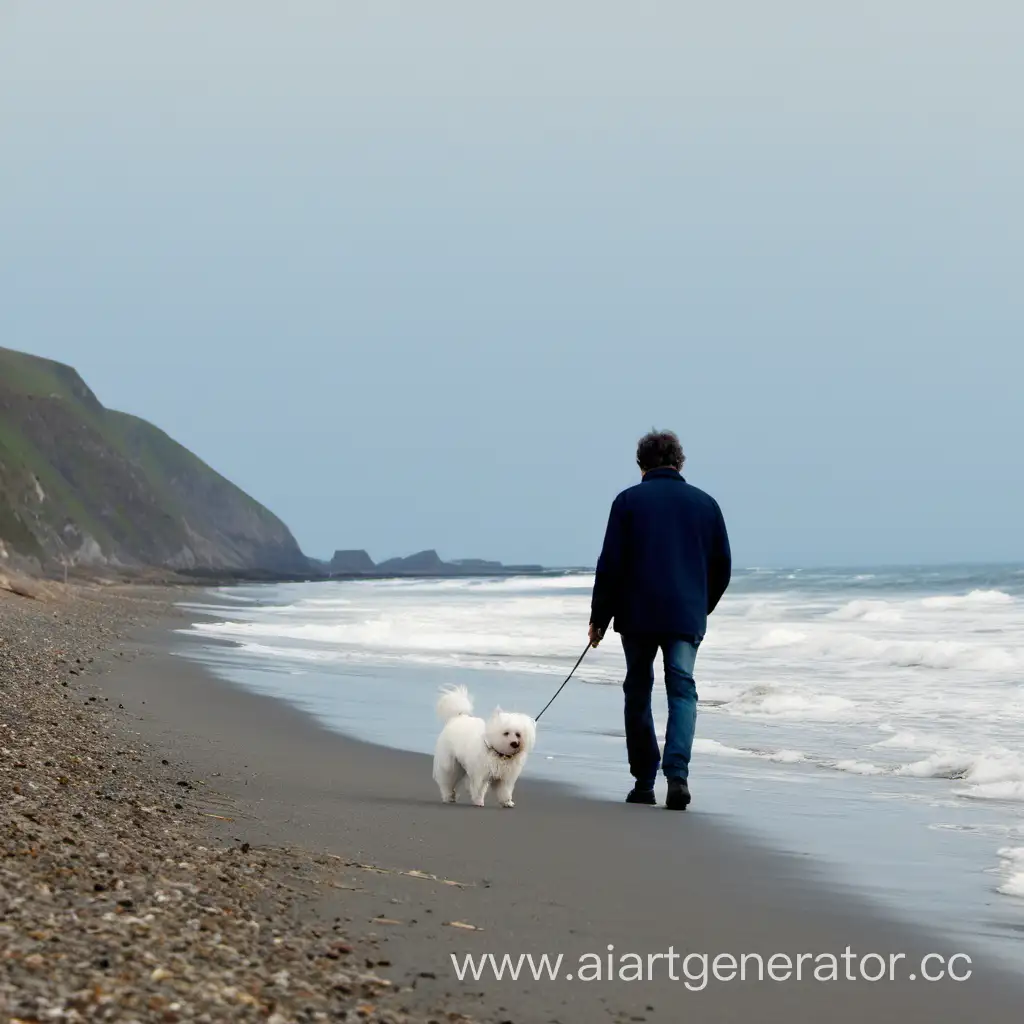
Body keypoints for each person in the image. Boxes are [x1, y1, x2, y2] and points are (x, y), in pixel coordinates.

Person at [588, 430, 731, 810]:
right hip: (685, 614)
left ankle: (644, 781)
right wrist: (701, 606)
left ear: (641, 464)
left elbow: (611, 565)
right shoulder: (706, 504)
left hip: (636, 615)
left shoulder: (628, 501)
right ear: (679, 461)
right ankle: (678, 775)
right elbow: (722, 568)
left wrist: (599, 617)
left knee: (638, 690)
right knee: (682, 690)